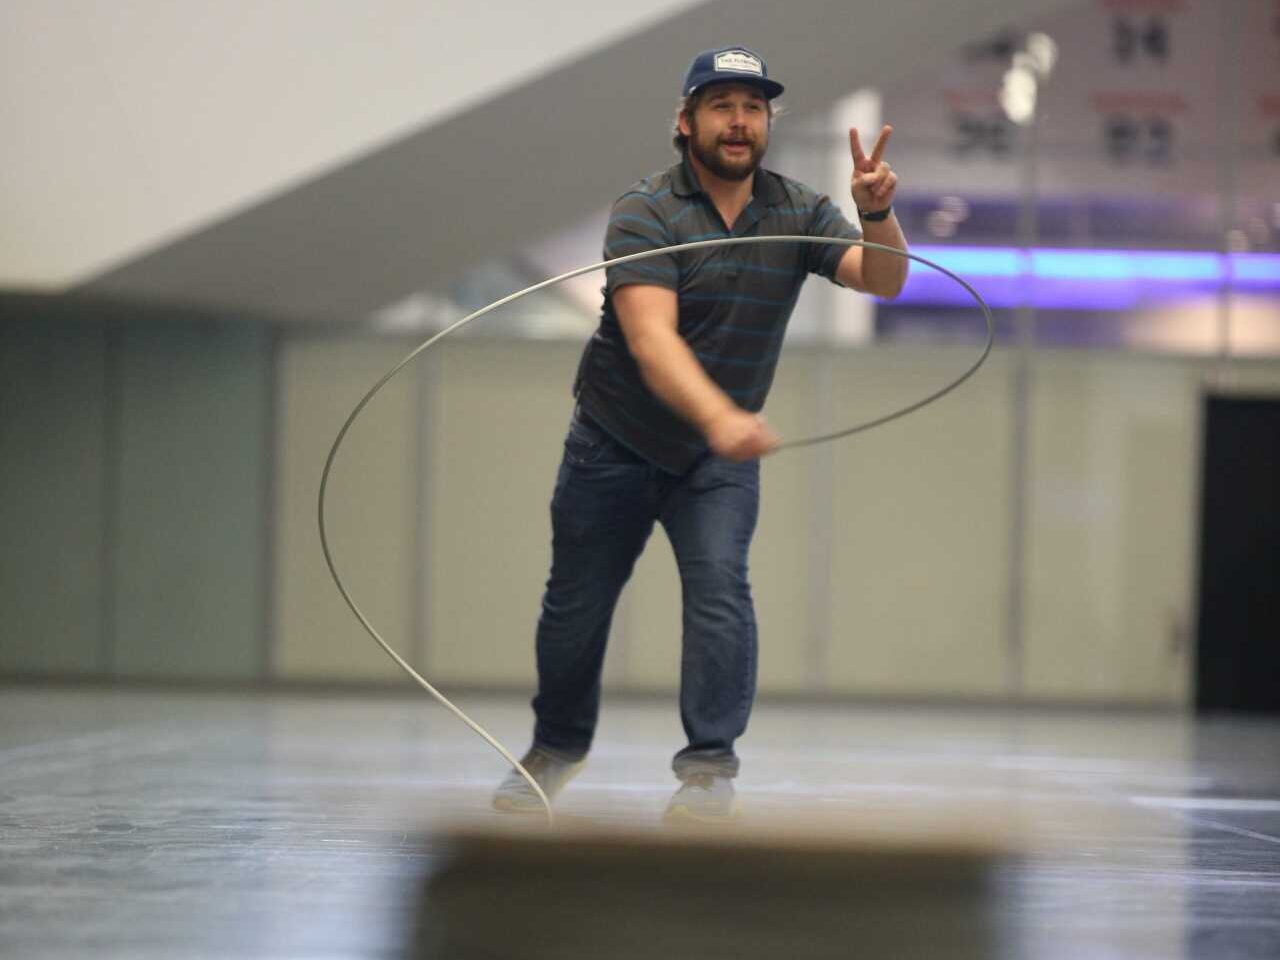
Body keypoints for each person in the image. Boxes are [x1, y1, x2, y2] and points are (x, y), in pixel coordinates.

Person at [492, 44, 909, 822]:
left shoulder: (796, 210)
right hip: (613, 441)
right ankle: (555, 749)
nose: (740, 122)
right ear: (686, 122)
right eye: (722, 106)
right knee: (576, 607)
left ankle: (708, 769)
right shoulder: (645, 211)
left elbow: (883, 279)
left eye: (753, 108)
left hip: (712, 460)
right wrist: (722, 415)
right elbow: (652, 342)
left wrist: (876, 212)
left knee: (721, 591)